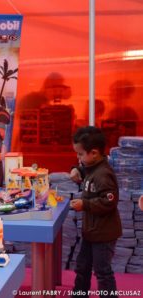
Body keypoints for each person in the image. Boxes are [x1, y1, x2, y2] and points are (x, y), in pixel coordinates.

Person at [69, 126, 122, 298]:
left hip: (103, 234)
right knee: (82, 266)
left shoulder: (104, 174)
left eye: (80, 154)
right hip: (91, 231)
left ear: (94, 153)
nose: (78, 158)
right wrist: (77, 169)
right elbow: (87, 169)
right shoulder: (93, 167)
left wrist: (85, 204)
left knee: (102, 271)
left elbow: (109, 202)